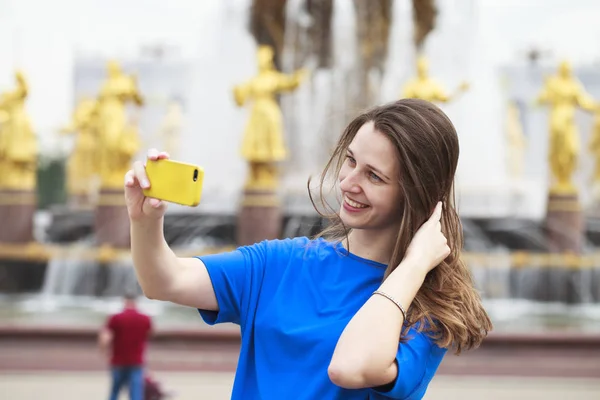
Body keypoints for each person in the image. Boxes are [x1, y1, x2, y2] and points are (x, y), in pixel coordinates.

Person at [125, 98, 492, 399]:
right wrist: (145, 221)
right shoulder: (281, 263)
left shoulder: (428, 312)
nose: (348, 182)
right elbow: (164, 281)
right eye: (350, 160)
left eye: (374, 176)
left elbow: (349, 366)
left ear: (416, 193)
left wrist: (414, 266)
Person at [98, 291, 153, 400]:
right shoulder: (145, 318)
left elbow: (105, 338)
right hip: (137, 360)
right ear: (136, 302)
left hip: (118, 360)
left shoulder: (116, 318)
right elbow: (149, 335)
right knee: (136, 393)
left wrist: (103, 352)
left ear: (124, 301)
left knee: (115, 391)